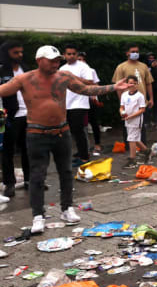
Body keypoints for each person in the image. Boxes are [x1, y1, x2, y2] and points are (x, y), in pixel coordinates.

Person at [0, 45, 130, 234]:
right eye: (51, 60)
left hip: (62, 132)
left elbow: (86, 89)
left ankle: (67, 209)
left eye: (57, 60)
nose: (56, 63)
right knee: (37, 176)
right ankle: (38, 216)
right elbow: (2, 90)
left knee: (66, 172)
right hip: (36, 134)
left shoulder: (64, 77)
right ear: (39, 60)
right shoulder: (25, 79)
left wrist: (114, 87)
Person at [0, 41, 29, 199]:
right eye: (15, 52)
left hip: (29, 115)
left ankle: (29, 181)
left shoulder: (26, 68)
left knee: (28, 150)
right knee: (8, 152)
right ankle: (9, 184)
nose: (20, 55)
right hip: (9, 117)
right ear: (6, 53)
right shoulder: (2, 70)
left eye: (21, 52)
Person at [112, 43, 154, 145]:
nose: (135, 53)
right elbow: (118, 86)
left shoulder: (143, 66)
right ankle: (129, 147)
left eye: (137, 52)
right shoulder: (121, 67)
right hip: (128, 102)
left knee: (141, 125)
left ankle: (142, 146)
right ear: (127, 53)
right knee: (127, 124)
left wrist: (151, 98)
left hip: (142, 102)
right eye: (133, 52)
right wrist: (121, 102)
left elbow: (148, 83)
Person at [60, 44, 94, 165]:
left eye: (74, 54)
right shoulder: (62, 68)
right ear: (64, 55)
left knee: (79, 131)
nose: (71, 56)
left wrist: (74, 77)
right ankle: (80, 153)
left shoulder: (83, 66)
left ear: (77, 54)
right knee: (71, 132)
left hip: (80, 103)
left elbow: (90, 82)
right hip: (66, 104)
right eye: (68, 54)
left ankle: (85, 157)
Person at [120, 75, 149, 167]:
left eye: (133, 83)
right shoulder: (124, 95)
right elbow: (121, 107)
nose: (131, 85)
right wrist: (122, 113)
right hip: (127, 119)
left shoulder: (140, 96)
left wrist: (131, 116)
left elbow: (142, 109)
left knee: (131, 138)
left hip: (136, 120)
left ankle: (132, 159)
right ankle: (147, 151)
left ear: (137, 84)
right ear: (127, 84)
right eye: (130, 83)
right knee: (134, 138)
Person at [77, 52, 103, 155]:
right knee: (80, 125)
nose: (80, 61)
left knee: (94, 122)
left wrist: (94, 97)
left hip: (90, 100)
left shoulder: (91, 71)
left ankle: (97, 144)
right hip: (78, 102)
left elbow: (96, 85)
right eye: (78, 59)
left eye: (82, 59)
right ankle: (83, 148)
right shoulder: (71, 72)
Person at [146, 53, 157, 127]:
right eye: (150, 58)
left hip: (156, 88)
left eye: (153, 58)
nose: (151, 60)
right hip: (148, 89)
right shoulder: (146, 67)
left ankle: (155, 121)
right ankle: (147, 121)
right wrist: (151, 67)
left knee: (156, 106)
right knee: (148, 105)